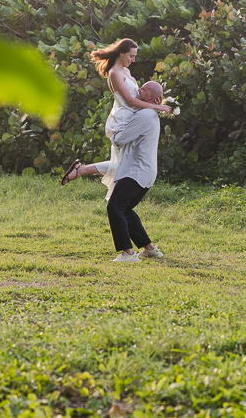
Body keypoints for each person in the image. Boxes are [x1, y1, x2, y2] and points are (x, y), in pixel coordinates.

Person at [59, 38, 173, 263]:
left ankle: (128, 253)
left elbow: (123, 133)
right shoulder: (116, 74)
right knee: (123, 206)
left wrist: (154, 107)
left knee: (115, 206)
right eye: (131, 55)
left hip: (138, 164)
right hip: (125, 123)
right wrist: (157, 106)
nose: (133, 60)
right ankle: (149, 248)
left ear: (149, 96)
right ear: (121, 53)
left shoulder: (146, 114)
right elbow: (130, 100)